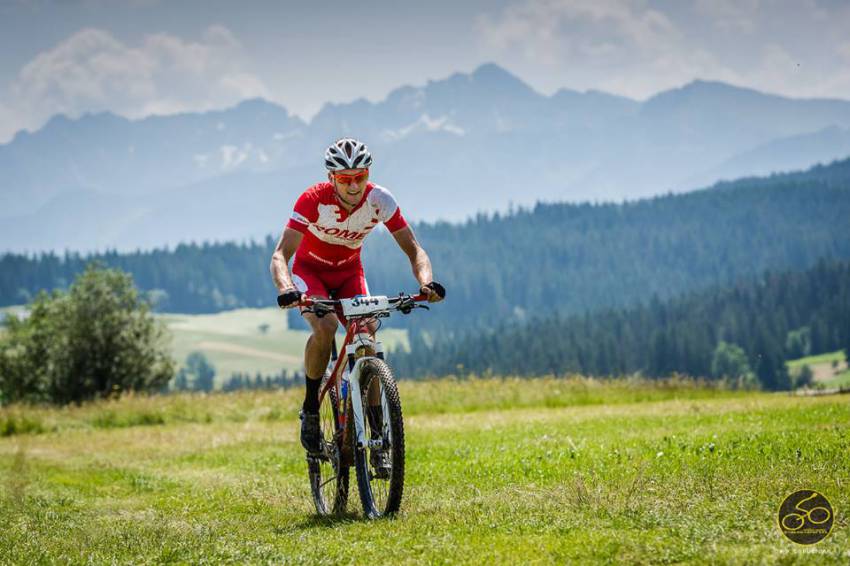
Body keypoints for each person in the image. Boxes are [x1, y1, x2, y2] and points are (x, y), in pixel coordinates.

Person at [270, 137, 444, 460]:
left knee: (367, 336)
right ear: (331, 179)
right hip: (312, 272)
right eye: (345, 179)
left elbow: (415, 250)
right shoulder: (312, 200)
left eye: (360, 177)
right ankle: (310, 408)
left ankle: (376, 432)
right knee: (326, 327)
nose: (354, 186)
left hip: (350, 273)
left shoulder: (380, 200)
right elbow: (280, 255)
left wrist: (426, 282)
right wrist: (286, 288)